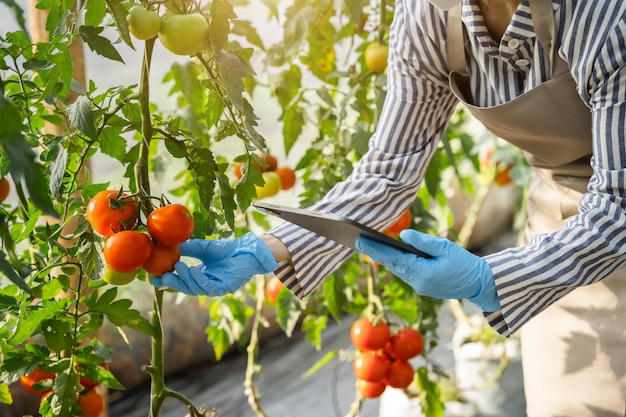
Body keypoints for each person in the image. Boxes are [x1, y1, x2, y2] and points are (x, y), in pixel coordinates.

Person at [152, 0, 626, 415]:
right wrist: (267, 250)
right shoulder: (428, 14)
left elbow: (617, 203)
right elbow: (389, 171)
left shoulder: (602, 15)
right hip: (553, 229)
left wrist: (493, 280)